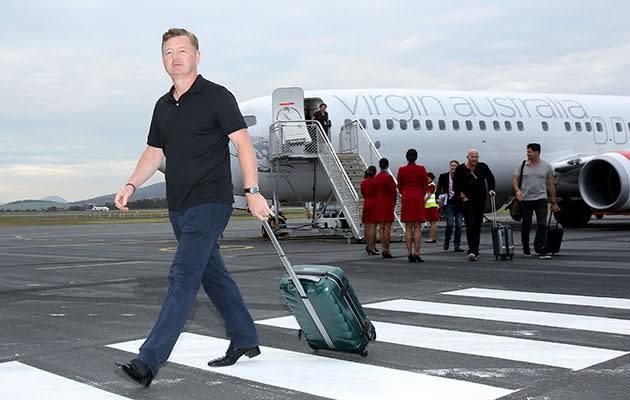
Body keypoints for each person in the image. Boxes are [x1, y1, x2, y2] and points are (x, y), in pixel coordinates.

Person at [113, 28, 273, 388]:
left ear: (197, 56)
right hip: (179, 206)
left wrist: (252, 191)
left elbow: (243, 144)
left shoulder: (217, 96)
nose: (175, 58)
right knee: (210, 273)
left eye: (182, 51)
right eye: (168, 52)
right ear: (163, 60)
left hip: (211, 202)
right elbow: (155, 152)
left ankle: (148, 361)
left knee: (182, 276)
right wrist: (130, 184)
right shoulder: (163, 106)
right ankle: (245, 337)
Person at [512, 143, 560, 259]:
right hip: (526, 199)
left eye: (530, 152)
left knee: (542, 224)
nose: (527, 154)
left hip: (541, 199)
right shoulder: (522, 165)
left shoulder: (547, 166)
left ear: (537, 152)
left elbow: (551, 185)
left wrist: (553, 202)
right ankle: (526, 249)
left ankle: (542, 249)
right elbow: (515, 180)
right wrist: (517, 190)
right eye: (527, 151)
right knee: (526, 225)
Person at [454, 149, 496, 261]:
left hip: (480, 200)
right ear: (467, 157)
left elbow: (491, 179)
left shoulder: (482, 167)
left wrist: (491, 189)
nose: (475, 159)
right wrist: (463, 197)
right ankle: (472, 250)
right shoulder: (461, 169)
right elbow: (456, 186)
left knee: (477, 225)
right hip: (467, 201)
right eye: (472, 157)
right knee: (470, 225)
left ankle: (475, 249)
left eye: (476, 157)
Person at [397, 149, 428, 263]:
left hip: (406, 197)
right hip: (418, 196)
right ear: (416, 157)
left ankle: (409, 252)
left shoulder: (402, 170)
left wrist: (404, 192)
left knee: (408, 227)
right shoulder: (421, 169)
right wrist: (421, 193)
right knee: (417, 226)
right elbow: (425, 183)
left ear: (406, 157)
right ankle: (417, 253)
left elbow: (399, 185)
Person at [437, 160, 464, 252]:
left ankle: (457, 245)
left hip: (459, 203)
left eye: (455, 166)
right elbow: (439, 188)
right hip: (448, 203)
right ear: (450, 166)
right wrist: (438, 198)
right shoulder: (443, 176)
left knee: (459, 225)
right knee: (450, 224)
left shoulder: (461, 177)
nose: (453, 167)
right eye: (452, 166)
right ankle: (447, 241)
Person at [374, 158, 397, 258]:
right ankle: (387, 249)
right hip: (387, 203)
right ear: (387, 165)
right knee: (387, 227)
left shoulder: (376, 177)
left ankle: (383, 248)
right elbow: (393, 192)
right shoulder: (389, 177)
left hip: (379, 203)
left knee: (381, 228)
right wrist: (394, 203)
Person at [361, 166, 379, 255]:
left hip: (366, 203)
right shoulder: (376, 181)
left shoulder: (363, 182)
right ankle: (371, 246)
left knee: (366, 226)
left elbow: (363, 194)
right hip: (374, 203)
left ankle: (368, 245)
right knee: (373, 226)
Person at [424, 172, 439, 244]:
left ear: (431, 178)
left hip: (431, 206)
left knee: (433, 222)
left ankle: (432, 238)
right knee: (431, 222)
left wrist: (422, 202)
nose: (426, 178)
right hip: (428, 206)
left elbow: (429, 195)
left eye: (428, 177)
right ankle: (432, 237)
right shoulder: (427, 185)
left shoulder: (432, 185)